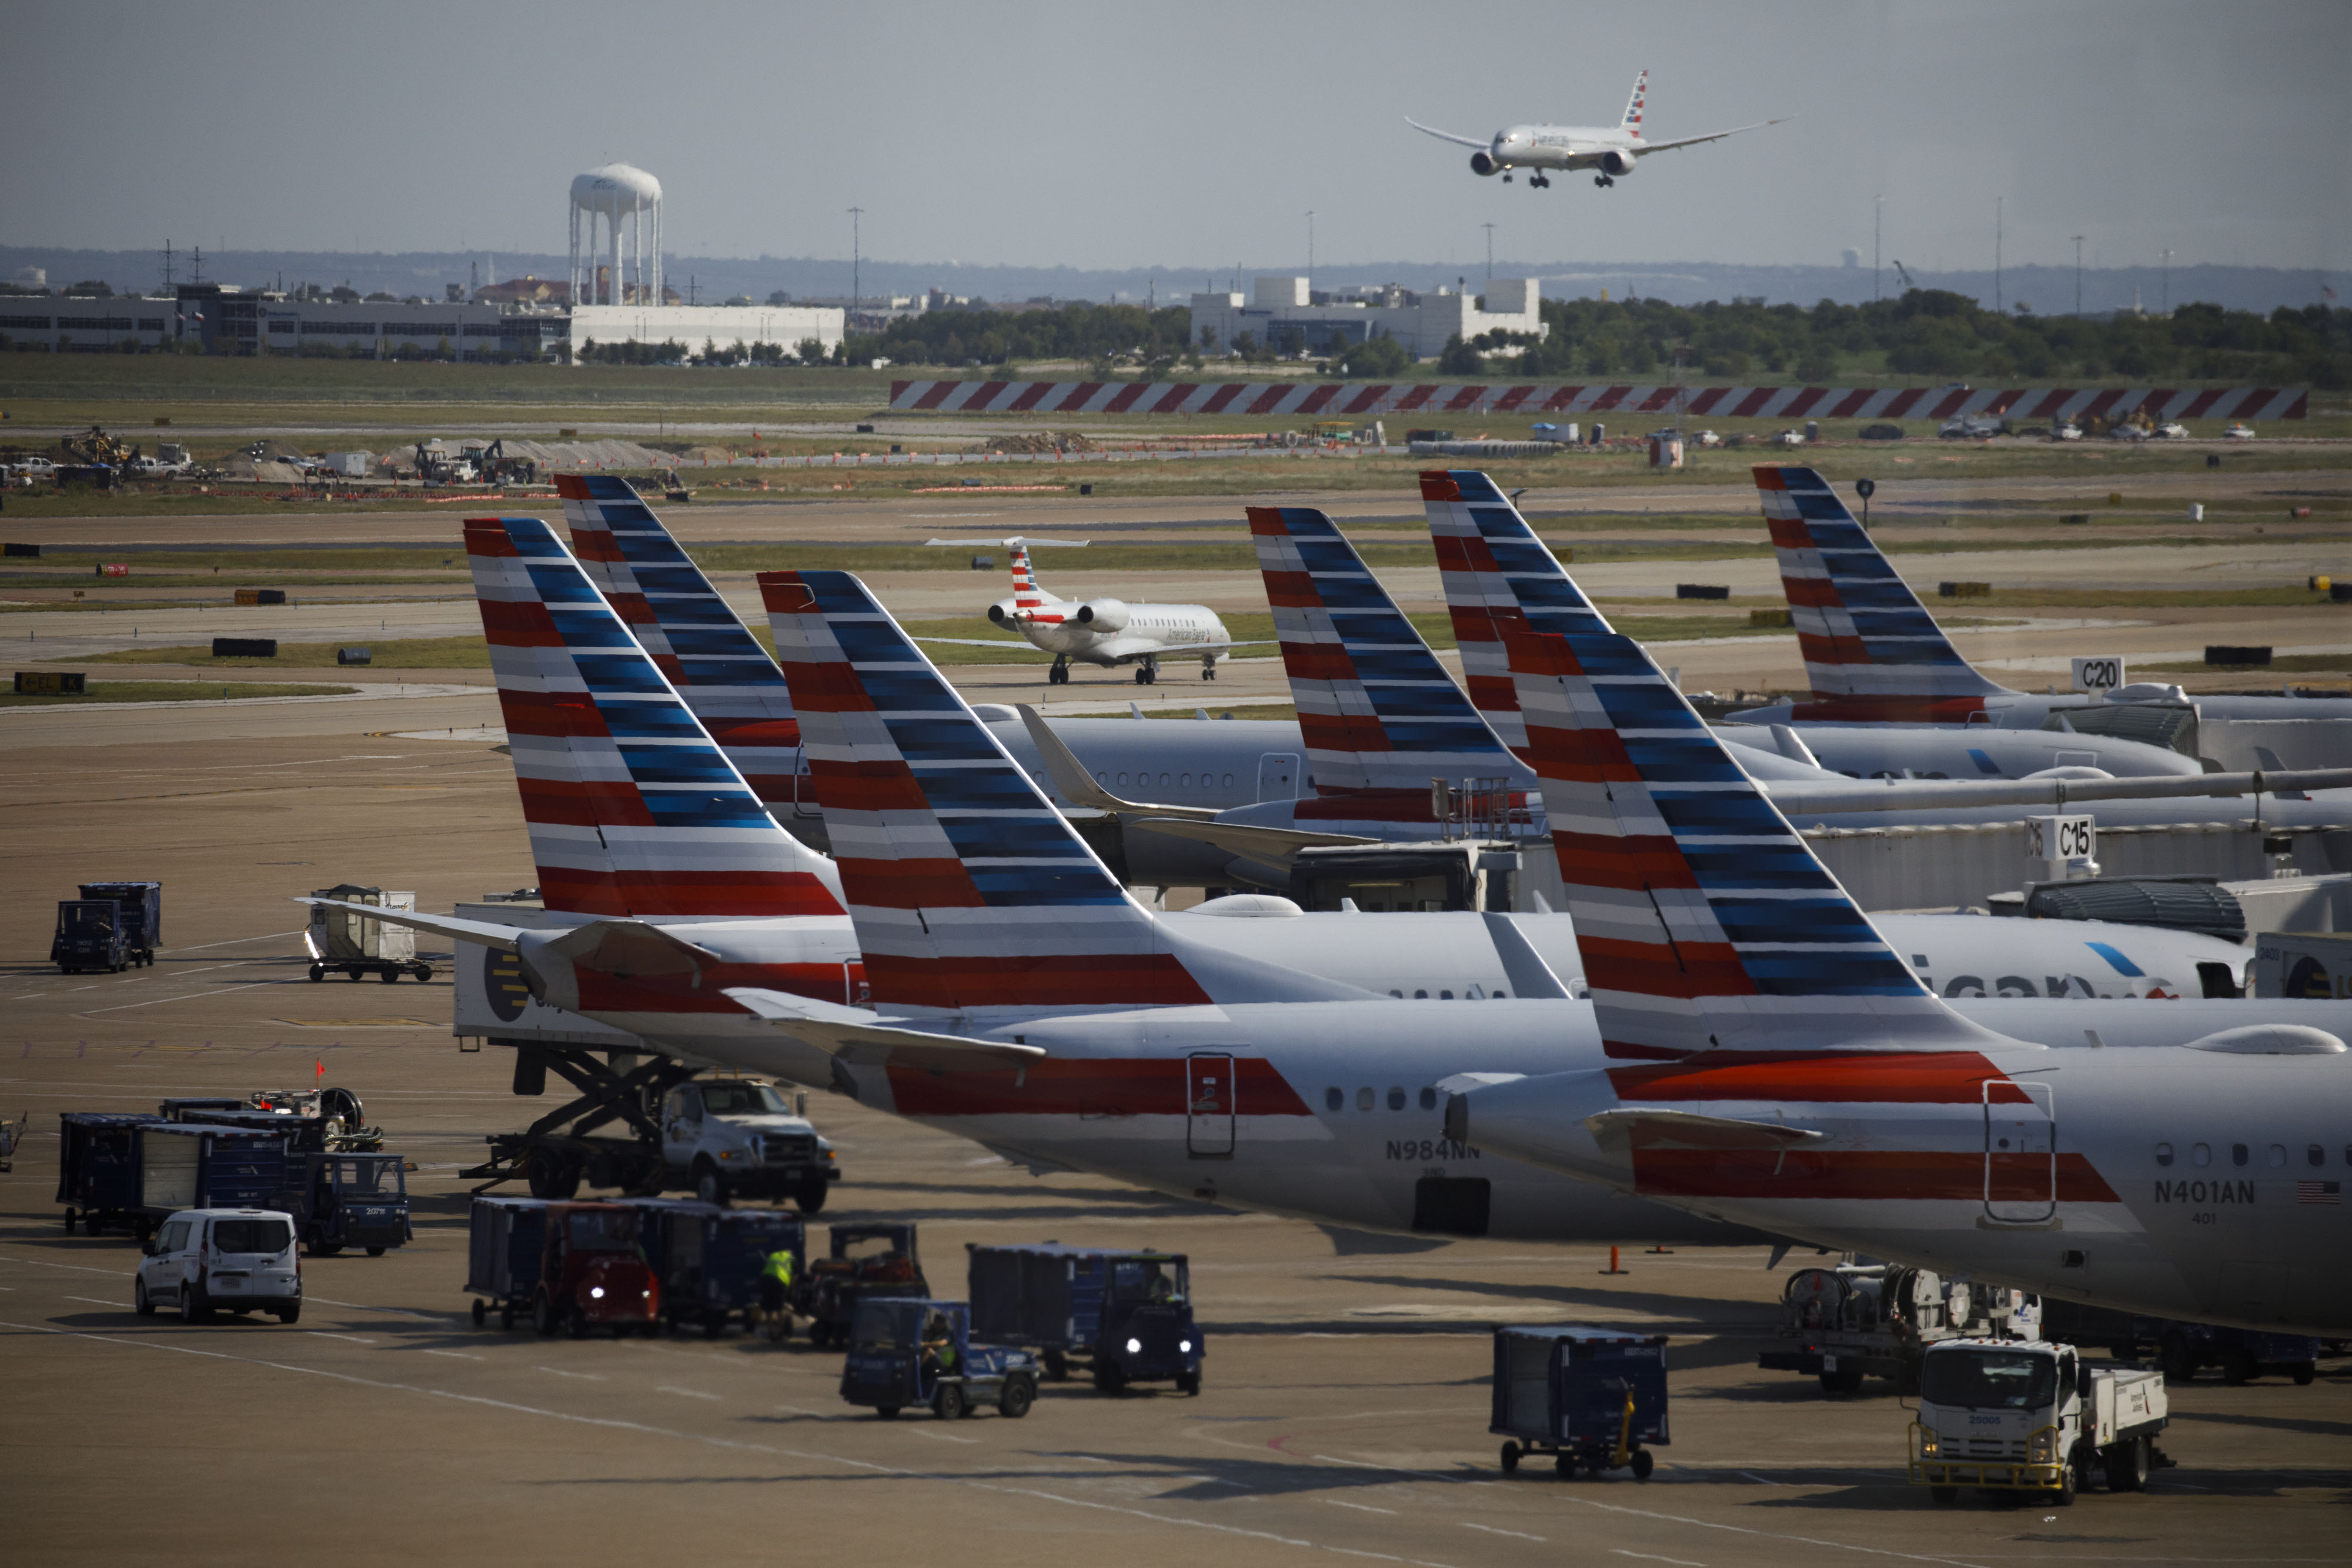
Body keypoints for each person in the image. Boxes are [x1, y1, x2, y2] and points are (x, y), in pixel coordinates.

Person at [759, 1244, 796, 1335]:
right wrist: (792, 1292)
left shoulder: (773, 1255)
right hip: (779, 1281)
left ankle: (770, 1332)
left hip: (765, 1280)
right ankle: (781, 1333)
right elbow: (794, 1277)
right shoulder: (791, 1258)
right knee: (780, 1308)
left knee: (769, 1309)